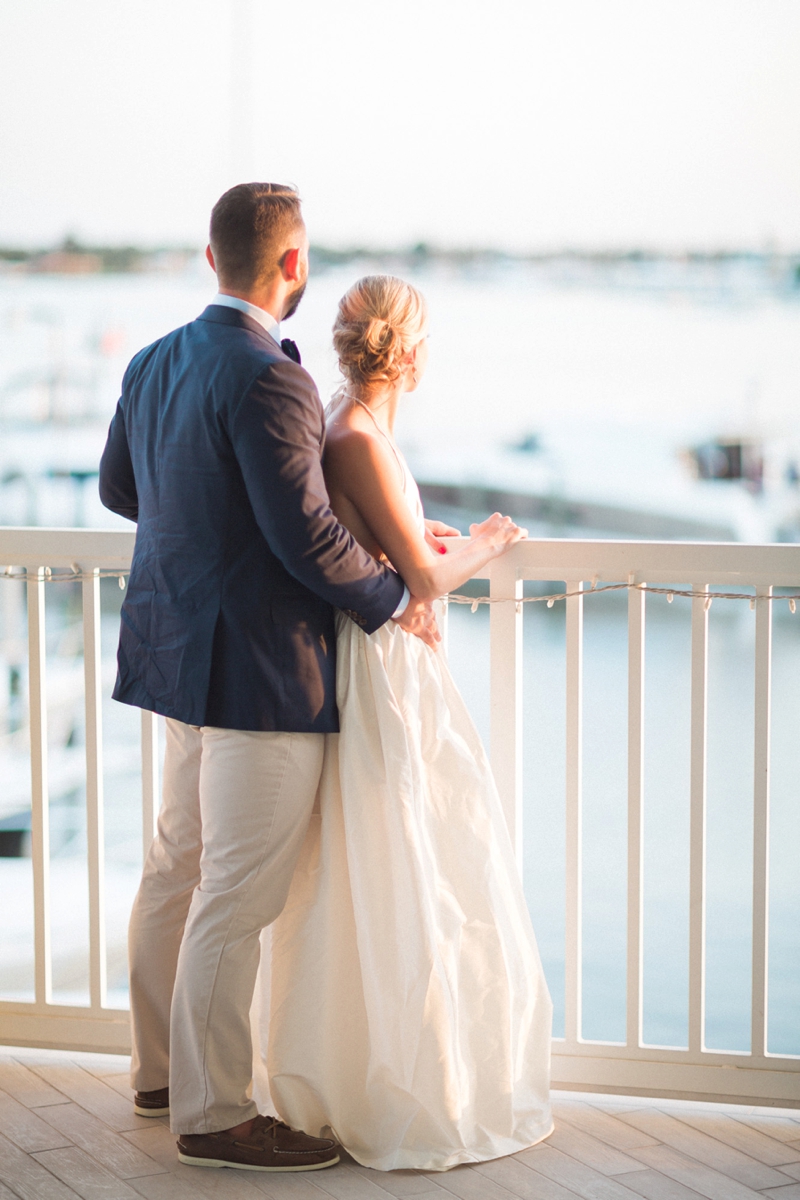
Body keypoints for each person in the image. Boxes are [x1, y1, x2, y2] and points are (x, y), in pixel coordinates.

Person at [98, 184, 439, 1174]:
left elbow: (125, 489)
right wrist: (397, 597)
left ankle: (159, 1072)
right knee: (235, 897)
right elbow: (308, 541)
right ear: (290, 265)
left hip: (171, 658)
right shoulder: (273, 379)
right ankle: (213, 1114)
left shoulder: (151, 360)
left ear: (212, 258)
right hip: (258, 670)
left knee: (175, 872)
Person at [251, 275, 554, 1171]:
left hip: (385, 654)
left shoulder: (354, 420)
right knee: (403, 860)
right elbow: (424, 582)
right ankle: (399, 1082)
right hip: (384, 668)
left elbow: (384, 537)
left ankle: (377, 1067)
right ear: (408, 350)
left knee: (402, 858)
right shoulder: (356, 432)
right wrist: (490, 542)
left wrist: (418, 533)